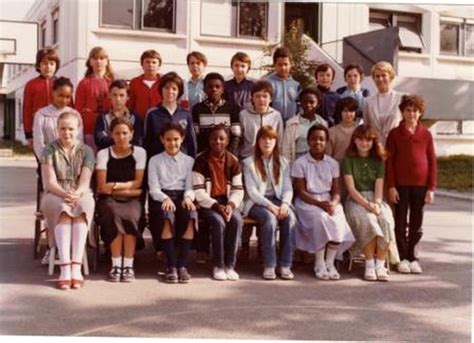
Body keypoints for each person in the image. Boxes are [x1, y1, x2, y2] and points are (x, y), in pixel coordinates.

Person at [40, 111, 95, 290]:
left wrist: (77, 193)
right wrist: (66, 195)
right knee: (62, 208)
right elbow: (49, 183)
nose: (66, 132)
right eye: (62, 128)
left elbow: (85, 180)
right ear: (57, 129)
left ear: (78, 129)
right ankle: (64, 268)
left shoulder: (87, 151)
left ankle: (76, 267)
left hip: (80, 191)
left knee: (83, 206)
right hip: (55, 192)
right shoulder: (49, 149)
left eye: (71, 128)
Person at [291, 124, 354, 280]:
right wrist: (319, 204)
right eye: (313, 139)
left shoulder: (332, 163)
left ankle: (330, 262)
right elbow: (301, 191)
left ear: (326, 142)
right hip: (308, 202)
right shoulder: (301, 163)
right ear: (308, 141)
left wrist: (333, 203)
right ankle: (318, 262)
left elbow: (336, 191)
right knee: (320, 219)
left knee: (338, 218)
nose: (317, 142)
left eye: (321, 139)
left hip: (328, 200)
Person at [386, 95, 437, 275]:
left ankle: (413, 257)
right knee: (400, 222)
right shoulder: (394, 134)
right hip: (400, 185)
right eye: (408, 110)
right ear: (402, 112)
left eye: (415, 110)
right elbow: (389, 162)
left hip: (420, 185)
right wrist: (391, 186)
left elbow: (432, 161)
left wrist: (431, 188)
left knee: (417, 223)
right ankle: (401, 257)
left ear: (420, 113)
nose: (411, 113)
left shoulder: (426, 134)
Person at [342, 125, 399, 282]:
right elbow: (351, 189)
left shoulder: (379, 159)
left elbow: (379, 186)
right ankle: (369, 264)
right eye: (360, 139)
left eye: (368, 140)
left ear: (373, 141)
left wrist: (377, 204)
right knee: (368, 221)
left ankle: (380, 264)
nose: (364, 143)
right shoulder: (348, 159)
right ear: (355, 140)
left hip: (376, 198)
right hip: (356, 200)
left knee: (386, 220)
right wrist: (367, 205)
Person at [96, 117, 146, 283]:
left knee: (131, 216)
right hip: (109, 200)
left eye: (125, 133)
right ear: (111, 134)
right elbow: (102, 187)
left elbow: (139, 184)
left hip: (131, 200)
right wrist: (130, 188)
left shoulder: (140, 152)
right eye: (117, 133)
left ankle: (128, 265)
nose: (121, 137)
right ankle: (116, 264)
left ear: (131, 134)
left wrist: (116, 185)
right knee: (113, 214)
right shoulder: (103, 154)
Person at [243, 126, 296, 280]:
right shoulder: (248, 163)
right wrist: (270, 206)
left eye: (271, 138)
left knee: (290, 218)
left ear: (276, 141)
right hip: (257, 203)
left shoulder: (284, 162)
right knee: (270, 219)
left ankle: (286, 264)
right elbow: (252, 192)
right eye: (263, 138)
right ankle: (270, 264)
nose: (267, 142)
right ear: (258, 141)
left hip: (278, 200)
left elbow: (287, 187)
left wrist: (285, 204)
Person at [192, 125, 244, 281]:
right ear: (208, 140)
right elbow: (198, 192)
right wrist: (216, 206)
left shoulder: (233, 161)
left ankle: (230, 265)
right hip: (208, 203)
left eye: (222, 138)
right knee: (218, 222)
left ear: (228, 141)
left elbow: (238, 189)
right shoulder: (201, 160)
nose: (218, 142)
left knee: (236, 220)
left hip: (227, 202)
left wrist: (231, 205)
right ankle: (218, 265)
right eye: (214, 138)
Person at [148, 123, 197, 283]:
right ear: (162, 140)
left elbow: (190, 186)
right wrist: (165, 198)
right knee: (167, 216)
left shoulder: (189, 161)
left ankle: (182, 265)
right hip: (162, 196)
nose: (172, 143)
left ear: (182, 139)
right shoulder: (154, 161)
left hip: (182, 196)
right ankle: (171, 266)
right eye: (168, 139)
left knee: (191, 215)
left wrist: (188, 197)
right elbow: (154, 188)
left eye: (176, 139)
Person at [143, 72, 197, 158]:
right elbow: (147, 142)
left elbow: (191, 143)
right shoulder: (152, 114)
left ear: (179, 92)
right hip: (158, 163)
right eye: (167, 88)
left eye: (174, 88)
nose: (170, 91)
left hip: (181, 164)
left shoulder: (185, 114)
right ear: (161, 89)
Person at [192, 72, 241, 155]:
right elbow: (196, 136)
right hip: (204, 156)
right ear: (204, 89)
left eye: (217, 87)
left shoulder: (232, 108)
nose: (214, 89)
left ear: (222, 89)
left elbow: (236, 135)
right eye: (210, 86)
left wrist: (229, 154)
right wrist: (202, 154)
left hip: (225, 156)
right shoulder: (197, 109)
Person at [33, 77, 82, 159]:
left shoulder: (75, 115)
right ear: (53, 92)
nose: (64, 100)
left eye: (68, 97)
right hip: (48, 160)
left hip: (70, 161)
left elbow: (79, 139)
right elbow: (38, 142)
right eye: (60, 95)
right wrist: (46, 161)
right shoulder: (42, 114)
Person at [75, 46, 114, 151]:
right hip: (89, 130)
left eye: (102, 58)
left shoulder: (113, 83)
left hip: (109, 130)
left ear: (107, 61)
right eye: (95, 58)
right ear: (90, 62)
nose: (98, 61)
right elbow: (78, 110)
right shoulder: (84, 83)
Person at [23, 47, 60, 150]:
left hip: (58, 128)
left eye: (51, 63)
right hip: (38, 129)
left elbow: (70, 107)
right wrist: (29, 135)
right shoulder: (31, 85)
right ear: (38, 65)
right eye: (44, 63)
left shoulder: (61, 83)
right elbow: (27, 110)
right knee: (42, 161)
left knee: (58, 161)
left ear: (56, 65)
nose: (48, 67)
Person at [94, 79, 144, 150]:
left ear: (128, 97)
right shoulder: (103, 117)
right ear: (109, 96)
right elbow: (99, 140)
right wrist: (125, 139)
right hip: (109, 156)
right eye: (114, 95)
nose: (118, 99)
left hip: (129, 156)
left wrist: (113, 139)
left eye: (122, 95)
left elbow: (138, 141)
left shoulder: (135, 118)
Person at [239, 80, 283, 159]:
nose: (261, 99)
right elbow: (240, 140)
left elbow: (280, 139)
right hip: (248, 157)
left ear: (271, 99)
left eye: (265, 96)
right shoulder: (243, 115)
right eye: (257, 96)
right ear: (252, 98)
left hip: (270, 158)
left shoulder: (276, 115)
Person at [363, 61, 404, 145]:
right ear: (373, 79)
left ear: (391, 77)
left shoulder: (401, 99)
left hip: (396, 145)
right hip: (375, 147)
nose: (380, 79)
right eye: (377, 76)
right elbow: (366, 127)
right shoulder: (367, 102)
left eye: (384, 75)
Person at [282, 87, 327, 163]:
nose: (308, 105)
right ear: (300, 103)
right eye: (304, 102)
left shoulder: (323, 123)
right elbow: (286, 150)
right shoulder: (292, 124)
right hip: (297, 161)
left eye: (312, 102)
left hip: (317, 162)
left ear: (318, 104)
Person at [266, 47, 301, 123]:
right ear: (274, 65)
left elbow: (299, 105)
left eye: (286, 64)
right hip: (272, 121)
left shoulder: (296, 85)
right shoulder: (268, 83)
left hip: (291, 122)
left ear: (291, 64)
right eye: (280, 64)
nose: (283, 67)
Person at [128, 49, 162, 121]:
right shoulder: (134, 82)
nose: (150, 65)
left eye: (154, 62)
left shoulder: (164, 82)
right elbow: (130, 104)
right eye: (147, 62)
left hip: (158, 121)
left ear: (159, 66)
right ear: (142, 64)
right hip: (138, 121)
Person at [326, 97, 359, 164]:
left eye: (351, 111)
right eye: (345, 111)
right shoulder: (331, 132)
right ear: (340, 112)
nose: (348, 114)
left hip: (356, 167)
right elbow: (328, 156)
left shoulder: (360, 130)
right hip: (336, 168)